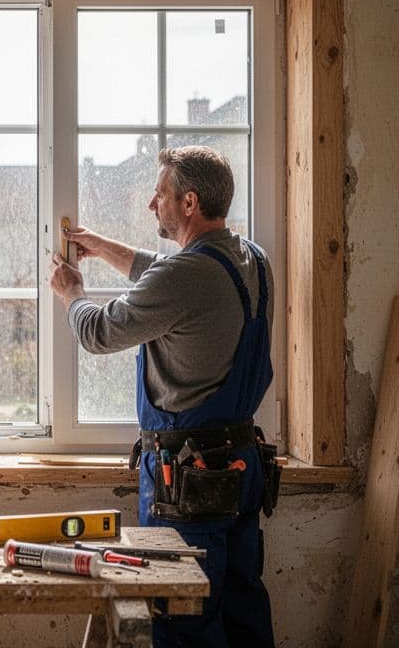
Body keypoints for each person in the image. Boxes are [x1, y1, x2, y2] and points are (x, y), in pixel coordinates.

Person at [47, 145, 279, 648]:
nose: (153, 204)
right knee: (242, 610)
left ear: (189, 202)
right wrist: (103, 246)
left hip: (189, 481)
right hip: (241, 467)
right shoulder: (250, 260)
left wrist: (72, 294)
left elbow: (100, 333)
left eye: (160, 195)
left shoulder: (183, 278)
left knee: (183, 620)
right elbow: (167, 275)